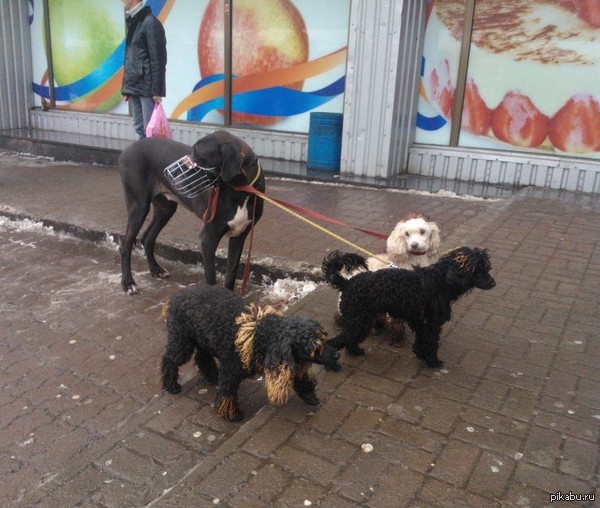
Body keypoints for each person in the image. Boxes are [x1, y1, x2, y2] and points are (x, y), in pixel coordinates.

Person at [121, 0, 167, 139]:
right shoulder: (135, 20)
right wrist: (126, 88)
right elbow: (132, 57)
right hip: (135, 86)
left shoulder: (150, 22)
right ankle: (141, 160)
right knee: (139, 127)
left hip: (147, 87)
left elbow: (158, 59)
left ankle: (151, 160)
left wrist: (157, 91)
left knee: (150, 130)